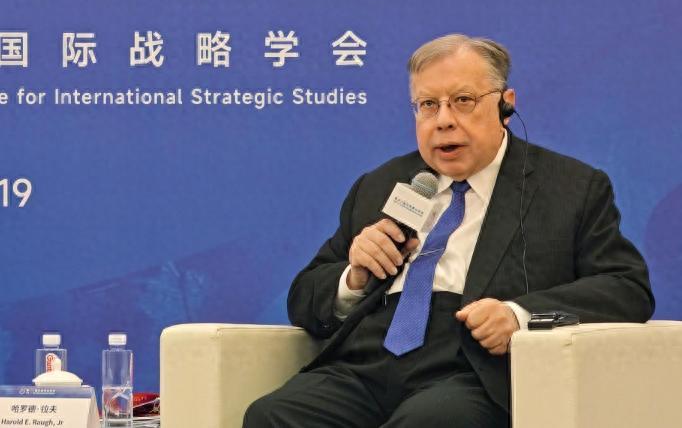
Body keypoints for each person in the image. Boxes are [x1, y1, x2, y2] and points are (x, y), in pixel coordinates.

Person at [243, 34, 654, 428]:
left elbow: (626, 288)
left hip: (472, 369)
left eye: (462, 101)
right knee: (274, 415)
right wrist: (353, 278)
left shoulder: (570, 187)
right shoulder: (380, 184)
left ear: (505, 105)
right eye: (428, 105)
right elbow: (303, 297)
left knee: (431, 421)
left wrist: (518, 315)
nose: (443, 121)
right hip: (367, 363)